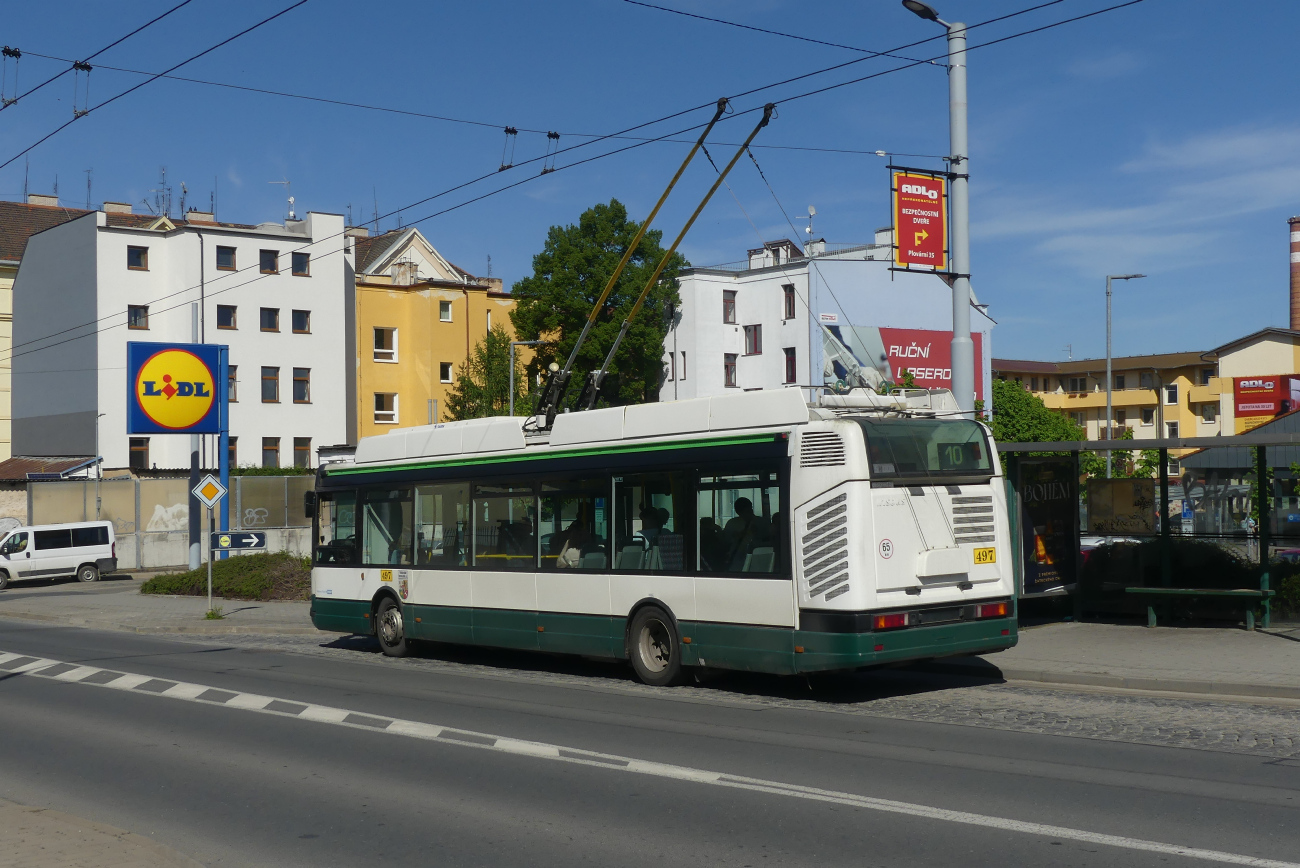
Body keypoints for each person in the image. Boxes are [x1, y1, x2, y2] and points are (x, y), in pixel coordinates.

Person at [723, 497, 771, 571]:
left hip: (752, 556)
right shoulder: (763, 522)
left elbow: (725, 541)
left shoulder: (732, 523)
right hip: (747, 557)